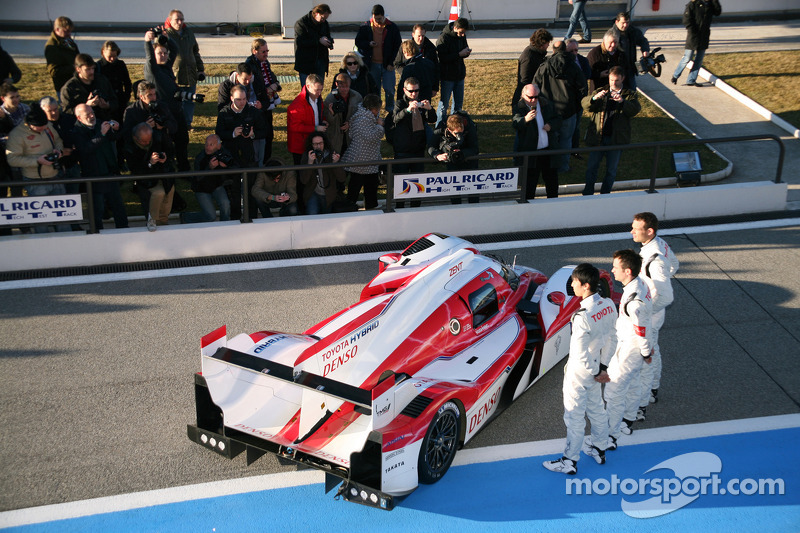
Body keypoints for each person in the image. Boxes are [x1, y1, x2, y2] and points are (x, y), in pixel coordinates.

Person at [542, 263, 617, 475]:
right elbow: (613, 337)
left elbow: (579, 352)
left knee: (574, 417)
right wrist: (602, 367)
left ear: (585, 286)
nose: (572, 285)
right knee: (597, 410)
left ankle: (569, 461)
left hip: (579, 373)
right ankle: (599, 448)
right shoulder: (609, 305)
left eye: (574, 281)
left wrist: (594, 371)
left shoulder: (582, 316)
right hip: (596, 369)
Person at [630, 212, 679, 417]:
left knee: (645, 354)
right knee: (652, 349)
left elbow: (667, 297)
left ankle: (645, 397)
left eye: (635, 228)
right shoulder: (660, 243)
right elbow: (675, 265)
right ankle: (652, 389)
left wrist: (648, 309)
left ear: (649, 231)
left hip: (651, 313)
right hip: (651, 310)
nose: (631, 231)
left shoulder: (654, 259)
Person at [605, 249, 652, 448]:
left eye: (616, 267)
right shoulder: (640, 284)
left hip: (629, 348)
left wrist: (646, 351)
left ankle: (610, 435)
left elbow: (641, 330)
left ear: (628, 271)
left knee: (613, 392)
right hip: (632, 347)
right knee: (633, 383)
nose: (612, 270)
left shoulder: (634, 302)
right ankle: (628, 419)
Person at [5, 105, 70, 233]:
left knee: (63, 216)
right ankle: (42, 246)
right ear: (29, 125)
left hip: (56, 176)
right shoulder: (17, 135)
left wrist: (58, 150)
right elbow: (12, 159)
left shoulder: (47, 126)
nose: (43, 129)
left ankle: (66, 244)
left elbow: (57, 140)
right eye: (39, 128)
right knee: (41, 218)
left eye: (45, 126)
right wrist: (36, 161)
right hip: (35, 181)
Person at [143, 28, 195, 172]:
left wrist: (165, 36)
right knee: (166, 144)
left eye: (165, 53)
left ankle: (184, 167)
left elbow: (174, 49)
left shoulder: (166, 67)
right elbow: (149, 59)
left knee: (183, 140)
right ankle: (168, 167)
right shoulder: (152, 71)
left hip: (176, 111)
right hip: (163, 114)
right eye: (160, 53)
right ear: (154, 54)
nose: (164, 55)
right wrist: (148, 42)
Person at [581, 67, 640, 195]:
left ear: (622, 78)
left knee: (611, 170)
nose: (613, 83)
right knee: (592, 168)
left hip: (616, 139)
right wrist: (594, 98)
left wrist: (622, 102)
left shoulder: (629, 94)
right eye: (611, 80)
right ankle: (587, 193)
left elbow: (634, 110)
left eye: (616, 80)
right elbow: (585, 105)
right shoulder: (602, 91)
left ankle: (605, 194)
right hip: (598, 137)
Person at [533, 40, 587, 173]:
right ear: (565, 50)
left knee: (550, 140)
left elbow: (535, 86)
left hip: (549, 112)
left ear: (553, 50)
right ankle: (563, 167)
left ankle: (548, 167)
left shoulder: (544, 66)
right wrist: (576, 105)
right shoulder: (573, 66)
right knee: (566, 140)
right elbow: (582, 88)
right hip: (568, 111)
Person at [71, 103, 128, 230]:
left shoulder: (100, 123)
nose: (92, 116)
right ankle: (96, 234)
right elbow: (86, 150)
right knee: (97, 209)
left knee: (118, 206)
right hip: (94, 176)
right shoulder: (76, 132)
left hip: (110, 172)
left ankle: (124, 230)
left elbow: (114, 138)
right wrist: (101, 134)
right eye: (88, 115)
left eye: (92, 113)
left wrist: (117, 128)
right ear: (79, 118)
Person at [216, 84, 266, 220]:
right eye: (238, 99)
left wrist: (252, 134)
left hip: (249, 157)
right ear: (231, 98)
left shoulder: (253, 112)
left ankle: (252, 219)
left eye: (244, 99)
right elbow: (218, 133)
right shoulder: (224, 113)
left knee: (251, 191)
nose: (242, 102)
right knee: (234, 192)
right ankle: (234, 221)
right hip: (231, 158)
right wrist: (233, 133)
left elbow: (265, 131)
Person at [393, 77, 436, 208]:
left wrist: (429, 109)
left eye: (417, 91)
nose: (414, 94)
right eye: (411, 91)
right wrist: (407, 110)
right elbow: (395, 119)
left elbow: (432, 119)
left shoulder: (421, 103)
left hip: (418, 149)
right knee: (402, 184)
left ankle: (415, 208)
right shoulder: (400, 104)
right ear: (404, 90)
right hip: (403, 151)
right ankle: (400, 208)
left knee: (418, 184)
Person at [512, 84, 561, 199]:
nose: (534, 100)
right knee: (530, 184)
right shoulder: (519, 107)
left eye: (536, 97)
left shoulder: (546, 104)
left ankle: (553, 205)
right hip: (531, 153)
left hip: (548, 151)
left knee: (552, 183)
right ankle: (528, 209)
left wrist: (551, 125)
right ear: (523, 96)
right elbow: (515, 123)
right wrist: (525, 120)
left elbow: (558, 119)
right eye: (530, 97)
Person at [124, 122, 175, 231]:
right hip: (146, 179)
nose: (147, 142)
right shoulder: (130, 148)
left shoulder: (158, 137)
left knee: (170, 190)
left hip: (162, 174)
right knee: (159, 193)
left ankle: (163, 219)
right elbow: (136, 169)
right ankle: (153, 219)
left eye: (149, 140)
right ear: (135, 138)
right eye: (143, 141)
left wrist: (164, 159)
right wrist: (150, 163)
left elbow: (171, 152)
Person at [355, 4, 402, 111]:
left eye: (380, 19)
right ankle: (376, 111)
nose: (377, 21)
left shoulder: (392, 27)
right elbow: (358, 41)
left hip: (388, 65)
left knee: (389, 89)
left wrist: (392, 63)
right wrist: (368, 43)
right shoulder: (365, 27)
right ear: (372, 16)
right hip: (372, 65)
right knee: (374, 90)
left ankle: (390, 110)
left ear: (383, 16)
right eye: (375, 19)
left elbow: (398, 47)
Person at [341, 94, 384, 210]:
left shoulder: (360, 116)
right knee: (359, 185)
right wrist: (380, 126)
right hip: (362, 159)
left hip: (364, 159)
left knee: (365, 184)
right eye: (377, 109)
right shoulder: (363, 119)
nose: (378, 112)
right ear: (372, 109)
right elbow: (372, 136)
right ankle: (352, 206)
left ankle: (368, 205)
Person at [164, 9, 205, 126]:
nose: (179, 22)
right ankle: (175, 123)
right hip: (174, 75)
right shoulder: (166, 35)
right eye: (177, 19)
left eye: (182, 19)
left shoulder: (189, 33)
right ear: (170, 21)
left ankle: (187, 123)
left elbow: (195, 52)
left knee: (189, 101)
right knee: (176, 101)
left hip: (190, 73)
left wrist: (200, 69)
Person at [428, 112, 479, 204]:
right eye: (456, 133)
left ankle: (474, 207)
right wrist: (437, 155)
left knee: (472, 188)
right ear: (449, 130)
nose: (459, 134)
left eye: (461, 131)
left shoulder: (470, 127)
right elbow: (431, 146)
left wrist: (462, 153)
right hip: (452, 162)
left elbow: (474, 148)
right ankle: (456, 207)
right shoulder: (440, 129)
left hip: (469, 162)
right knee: (454, 188)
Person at [182, 134, 233, 224]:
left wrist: (224, 166)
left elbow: (233, 166)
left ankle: (225, 225)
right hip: (201, 189)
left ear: (218, 146)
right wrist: (209, 168)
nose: (207, 147)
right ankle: (186, 217)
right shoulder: (200, 157)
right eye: (206, 144)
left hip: (216, 186)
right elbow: (198, 177)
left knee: (225, 205)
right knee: (210, 216)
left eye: (211, 144)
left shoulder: (223, 153)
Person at [246, 38, 282, 164]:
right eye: (263, 51)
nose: (266, 54)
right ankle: (260, 161)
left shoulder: (265, 63)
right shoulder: (250, 65)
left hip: (266, 103)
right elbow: (255, 86)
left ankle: (266, 159)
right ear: (254, 51)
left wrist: (275, 85)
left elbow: (272, 77)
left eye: (267, 51)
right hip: (258, 105)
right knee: (261, 134)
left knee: (269, 134)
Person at [96, 41, 132, 168]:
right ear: (103, 53)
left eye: (114, 56)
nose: (112, 59)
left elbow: (127, 83)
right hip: (105, 105)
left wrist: (125, 97)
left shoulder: (120, 65)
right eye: (109, 56)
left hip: (120, 102)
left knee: (121, 133)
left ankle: (121, 161)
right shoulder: (98, 67)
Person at [672, 0, 723, 86]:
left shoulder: (710, 5)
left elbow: (717, 12)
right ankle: (675, 75)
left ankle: (691, 80)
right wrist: (693, 31)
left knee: (699, 60)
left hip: (704, 36)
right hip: (693, 36)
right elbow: (686, 20)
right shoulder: (692, 4)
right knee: (687, 58)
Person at [60, 54, 118, 123]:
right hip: (81, 127)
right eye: (88, 69)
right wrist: (86, 106)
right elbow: (67, 112)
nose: (92, 72)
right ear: (78, 69)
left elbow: (115, 101)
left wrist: (107, 105)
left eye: (93, 68)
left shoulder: (102, 80)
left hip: (104, 121)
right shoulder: (69, 88)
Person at [298, 132, 345, 215]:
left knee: (327, 218)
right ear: (311, 145)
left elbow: (342, 178)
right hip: (313, 193)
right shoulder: (307, 156)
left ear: (325, 143)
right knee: (312, 214)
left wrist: (335, 164)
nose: (318, 146)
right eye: (315, 144)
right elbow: (304, 180)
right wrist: (310, 163)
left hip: (329, 195)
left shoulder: (332, 154)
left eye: (320, 143)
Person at [436, 17, 471, 126]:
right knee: (444, 105)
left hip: (459, 75)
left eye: (464, 33)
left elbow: (464, 47)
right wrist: (459, 54)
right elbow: (442, 58)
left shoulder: (462, 36)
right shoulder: (443, 38)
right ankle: (440, 125)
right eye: (461, 32)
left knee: (458, 105)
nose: (462, 35)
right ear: (455, 28)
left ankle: (455, 125)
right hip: (447, 76)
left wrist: (466, 52)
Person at [287, 74, 327, 166]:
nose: (320, 93)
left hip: (310, 141)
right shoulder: (297, 105)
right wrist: (316, 128)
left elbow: (318, 113)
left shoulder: (317, 98)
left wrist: (323, 120)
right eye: (317, 90)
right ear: (308, 87)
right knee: (302, 172)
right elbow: (295, 127)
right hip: (300, 146)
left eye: (321, 90)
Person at [512, 29, 552, 111]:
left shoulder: (537, 53)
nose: (548, 45)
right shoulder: (528, 57)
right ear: (542, 43)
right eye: (548, 43)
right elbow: (524, 81)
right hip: (528, 98)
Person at [294, 4, 333, 86]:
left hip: (320, 60)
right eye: (322, 18)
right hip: (306, 62)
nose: (324, 20)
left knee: (318, 88)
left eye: (325, 18)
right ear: (316, 14)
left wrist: (329, 42)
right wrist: (319, 40)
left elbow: (327, 36)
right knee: (306, 88)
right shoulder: (301, 23)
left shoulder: (324, 23)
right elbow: (301, 42)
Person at [324, 73, 362, 157]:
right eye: (341, 87)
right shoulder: (330, 99)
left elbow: (360, 115)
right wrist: (332, 114)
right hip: (335, 136)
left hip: (351, 135)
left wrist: (350, 123)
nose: (344, 89)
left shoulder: (357, 97)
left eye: (347, 86)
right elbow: (327, 120)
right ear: (336, 84)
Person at [609, 13, 650, 91]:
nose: (625, 25)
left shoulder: (633, 31)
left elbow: (643, 40)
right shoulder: (611, 34)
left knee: (631, 92)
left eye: (627, 22)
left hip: (630, 68)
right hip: (617, 69)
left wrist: (645, 50)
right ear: (616, 22)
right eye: (623, 23)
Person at [565, 38, 592, 155]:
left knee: (576, 126)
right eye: (571, 51)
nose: (574, 53)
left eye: (576, 50)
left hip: (579, 100)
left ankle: (574, 149)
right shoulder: (563, 62)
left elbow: (587, 75)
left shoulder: (582, 60)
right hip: (566, 100)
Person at [44, 16, 79, 95]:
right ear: (57, 29)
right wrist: (74, 67)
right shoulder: (52, 46)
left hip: (75, 82)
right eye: (66, 31)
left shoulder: (67, 40)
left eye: (70, 31)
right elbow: (54, 71)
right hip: (64, 87)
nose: (69, 34)